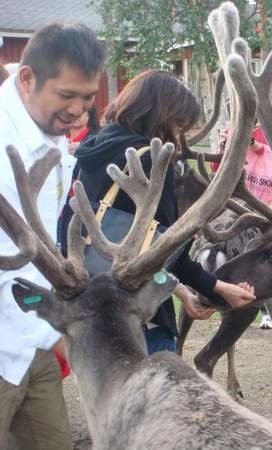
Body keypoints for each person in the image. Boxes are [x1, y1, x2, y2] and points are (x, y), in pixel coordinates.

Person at [62, 69, 256, 354]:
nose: (179, 134)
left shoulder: (91, 148)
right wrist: (217, 287)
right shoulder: (153, 160)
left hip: (89, 305)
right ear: (161, 115)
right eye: (179, 123)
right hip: (139, 315)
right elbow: (166, 248)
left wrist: (180, 291)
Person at [0, 23, 105, 450]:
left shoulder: (49, 132)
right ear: (28, 79)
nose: (79, 112)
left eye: (87, 98)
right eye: (67, 96)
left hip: (35, 341)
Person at [213, 123, 272, 329]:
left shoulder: (271, 127)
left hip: (264, 205)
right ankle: (228, 304)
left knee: (263, 256)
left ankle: (269, 310)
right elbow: (217, 169)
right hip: (234, 204)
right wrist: (223, 147)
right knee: (233, 254)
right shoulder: (232, 125)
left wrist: (250, 142)